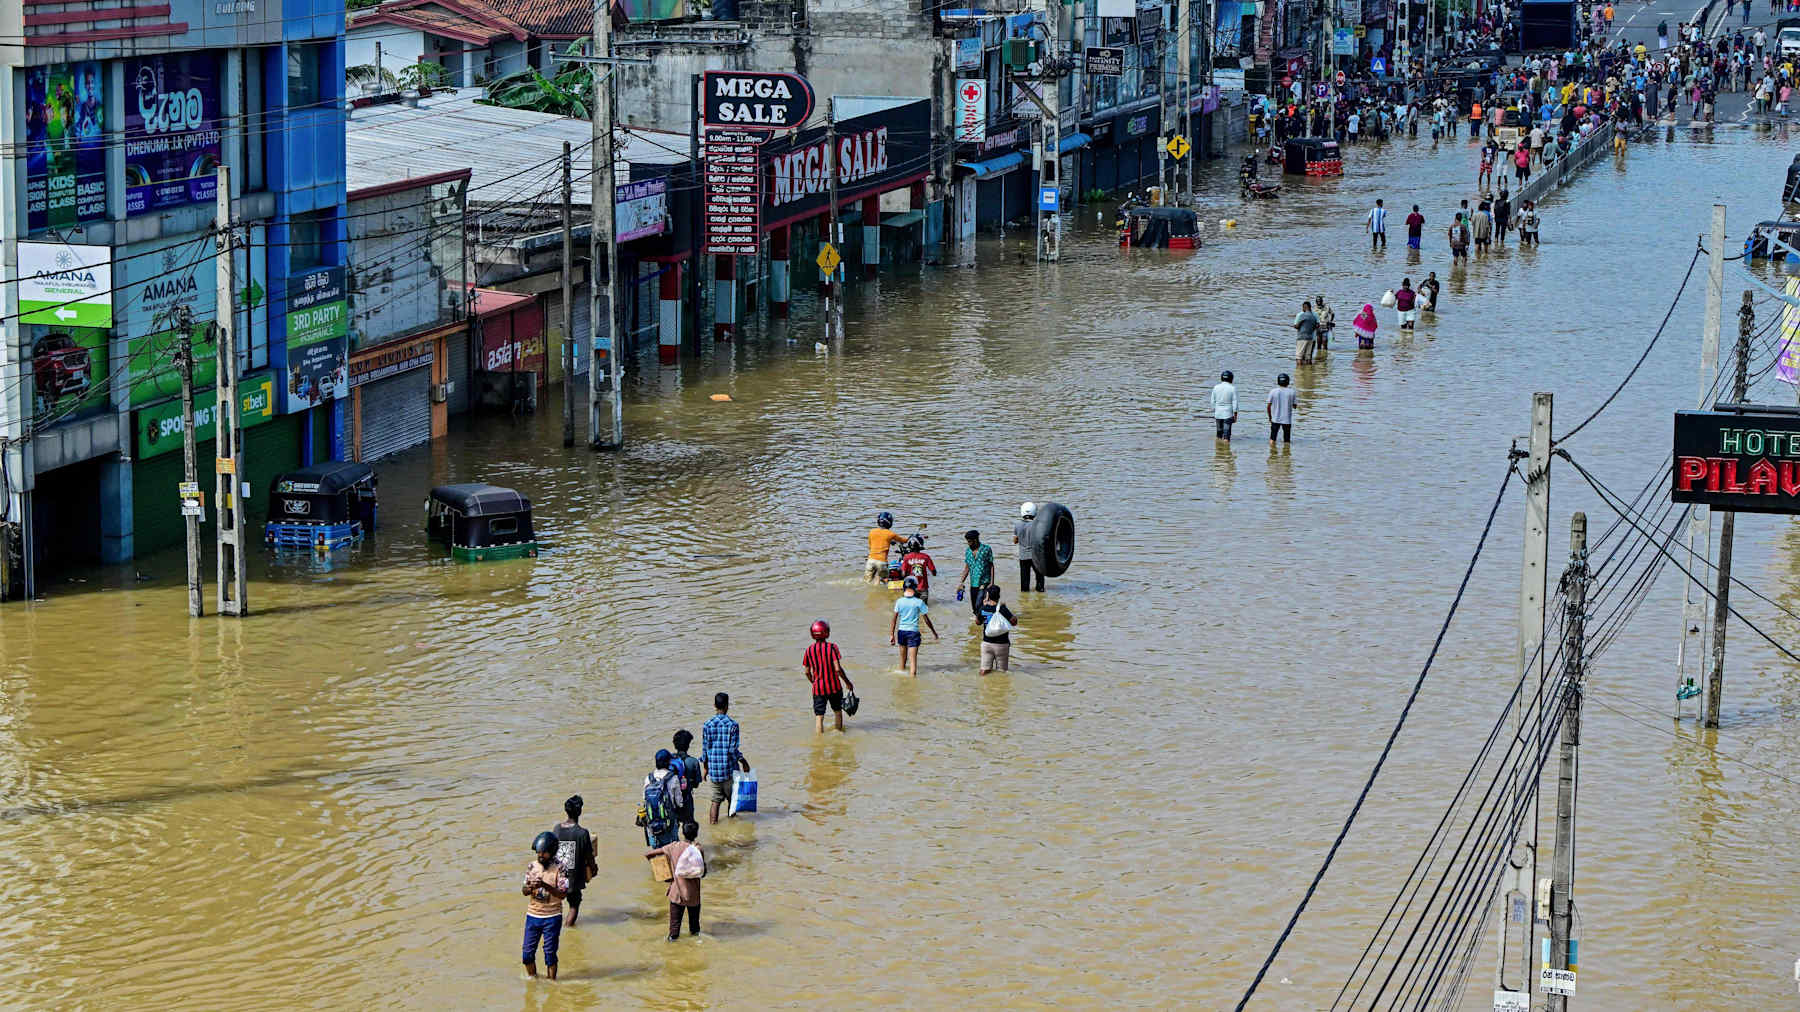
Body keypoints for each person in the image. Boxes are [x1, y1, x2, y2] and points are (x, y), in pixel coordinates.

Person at [645, 821, 704, 941]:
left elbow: (649, 854)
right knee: (694, 930)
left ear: (682, 832)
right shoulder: (698, 850)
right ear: (696, 833)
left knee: (674, 931)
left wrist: (664, 874)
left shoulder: (673, 847)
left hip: (676, 893)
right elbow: (703, 872)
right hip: (693, 895)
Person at [522, 831, 570, 979]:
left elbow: (562, 894)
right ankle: (533, 979)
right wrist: (531, 887)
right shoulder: (532, 866)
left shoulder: (561, 868)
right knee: (527, 955)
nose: (541, 856)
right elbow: (524, 891)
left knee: (550, 955)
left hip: (552, 916)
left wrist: (544, 884)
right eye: (539, 853)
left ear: (552, 852)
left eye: (544, 853)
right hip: (533, 916)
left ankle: (551, 985)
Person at [552, 796, 598, 927]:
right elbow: (590, 857)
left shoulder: (556, 829)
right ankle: (568, 928)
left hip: (557, 876)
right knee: (574, 905)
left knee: (556, 906)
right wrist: (594, 870)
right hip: (573, 879)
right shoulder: (582, 833)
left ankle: (560, 929)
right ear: (580, 811)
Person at [700, 693, 745, 824]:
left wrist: (706, 769)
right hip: (729, 771)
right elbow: (732, 750)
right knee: (732, 801)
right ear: (727, 706)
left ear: (714, 705)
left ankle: (713, 826)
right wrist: (743, 761)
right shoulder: (733, 725)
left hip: (714, 771)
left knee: (715, 801)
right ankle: (732, 826)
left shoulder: (707, 725)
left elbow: (705, 749)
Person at [804, 619, 857, 729]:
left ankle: (819, 742)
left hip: (818, 689)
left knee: (819, 716)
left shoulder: (809, 650)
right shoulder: (832, 648)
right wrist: (847, 682)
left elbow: (807, 672)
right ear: (826, 633)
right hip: (834, 687)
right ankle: (839, 735)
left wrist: (814, 683)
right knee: (837, 712)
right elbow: (838, 669)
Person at [889, 578, 938, 677]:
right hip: (913, 633)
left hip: (901, 632)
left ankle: (902, 684)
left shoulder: (899, 601)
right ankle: (912, 686)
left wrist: (892, 635)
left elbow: (894, 620)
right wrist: (934, 632)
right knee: (913, 663)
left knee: (902, 662)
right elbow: (927, 620)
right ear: (915, 588)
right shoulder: (919, 602)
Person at [641, 750, 683, 848]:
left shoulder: (648, 778)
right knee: (672, 852)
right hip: (669, 824)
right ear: (668, 762)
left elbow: (645, 798)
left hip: (652, 826)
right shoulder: (673, 778)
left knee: (656, 855)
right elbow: (679, 802)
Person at [976, 585, 1018, 676]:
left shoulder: (983, 608)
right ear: (998, 596)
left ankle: (982, 688)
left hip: (987, 644)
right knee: (1002, 673)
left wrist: (983, 607)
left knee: (984, 671)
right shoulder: (1002, 609)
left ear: (988, 596)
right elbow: (1014, 622)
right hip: (1001, 645)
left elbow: (977, 622)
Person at [957, 529, 997, 618]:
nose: (968, 543)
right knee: (975, 607)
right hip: (973, 583)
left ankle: (984, 622)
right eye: (967, 541)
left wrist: (991, 583)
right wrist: (961, 582)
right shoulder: (968, 551)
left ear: (975, 540)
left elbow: (991, 565)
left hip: (984, 582)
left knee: (980, 603)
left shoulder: (986, 549)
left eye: (970, 541)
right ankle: (978, 624)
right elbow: (967, 567)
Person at [669, 731, 703, 828]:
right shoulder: (693, 762)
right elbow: (696, 784)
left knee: (673, 827)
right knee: (689, 826)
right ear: (688, 745)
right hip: (686, 799)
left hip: (671, 800)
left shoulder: (668, 760)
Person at [865, 511, 906, 582]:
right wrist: (911, 537)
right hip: (881, 562)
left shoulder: (871, 532)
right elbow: (903, 540)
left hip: (870, 560)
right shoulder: (890, 534)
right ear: (890, 523)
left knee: (867, 581)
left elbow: (871, 545)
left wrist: (889, 541)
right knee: (884, 580)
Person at [1014, 503, 1044, 592]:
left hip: (1023, 556)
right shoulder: (1038, 525)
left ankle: (1025, 597)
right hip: (1036, 556)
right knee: (1039, 579)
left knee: (1024, 580)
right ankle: (1040, 594)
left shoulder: (1017, 525)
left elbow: (1015, 541)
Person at [898, 535, 936, 601]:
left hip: (911, 587)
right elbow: (934, 572)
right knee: (924, 608)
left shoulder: (906, 557)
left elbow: (903, 574)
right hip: (923, 588)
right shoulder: (926, 557)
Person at [1267, 373, 1297, 444]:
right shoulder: (1292, 392)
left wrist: (1270, 417)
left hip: (1275, 419)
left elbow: (1268, 406)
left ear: (1278, 381)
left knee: (1272, 439)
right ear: (1288, 382)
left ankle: (1272, 453)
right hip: (1287, 420)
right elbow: (1295, 406)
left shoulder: (1273, 391)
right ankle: (1286, 454)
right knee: (1287, 441)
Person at [1210, 370, 1239, 440]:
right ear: (1231, 378)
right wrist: (1235, 416)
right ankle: (1226, 449)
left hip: (1218, 414)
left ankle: (1218, 449)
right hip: (1228, 414)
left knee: (1219, 433)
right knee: (1226, 435)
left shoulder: (1216, 387)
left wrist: (1214, 411)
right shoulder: (1232, 388)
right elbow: (1235, 403)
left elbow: (1212, 402)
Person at [1293, 299, 1320, 364]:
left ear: (1305, 307)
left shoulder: (1302, 315)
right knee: (1308, 357)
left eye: (1303, 307)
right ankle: (1308, 371)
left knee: (1299, 357)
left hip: (1302, 338)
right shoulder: (1314, 316)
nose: (1302, 309)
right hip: (1310, 338)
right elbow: (1317, 325)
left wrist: (1300, 323)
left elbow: (1296, 326)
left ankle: (1300, 372)